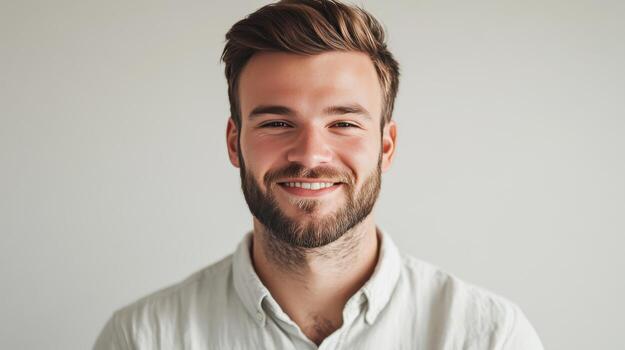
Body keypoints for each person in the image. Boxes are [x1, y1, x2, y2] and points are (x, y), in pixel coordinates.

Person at [94, 1, 544, 349]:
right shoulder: (144, 338)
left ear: (386, 146)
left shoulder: (488, 337)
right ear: (235, 142)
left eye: (344, 123)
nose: (310, 155)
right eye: (276, 123)